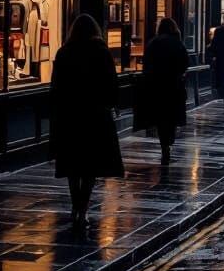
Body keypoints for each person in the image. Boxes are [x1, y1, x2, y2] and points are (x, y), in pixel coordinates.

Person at [50, 14, 124, 228]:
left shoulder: (64, 52)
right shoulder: (102, 52)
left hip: (70, 116)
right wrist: (111, 104)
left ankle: (75, 206)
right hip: (95, 116)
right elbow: (112, 84)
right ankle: (83, 210)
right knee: (90, 166)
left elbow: (56, 86)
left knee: (72, 165)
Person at [141, 17, 190, 166]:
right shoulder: (178, 43)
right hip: (174, 85)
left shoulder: (153, 43)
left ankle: (164, 145)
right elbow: (185, 63)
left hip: (158, 86)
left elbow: (146, 64)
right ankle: (169, 140)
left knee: (161, 117)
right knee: (172, 116)